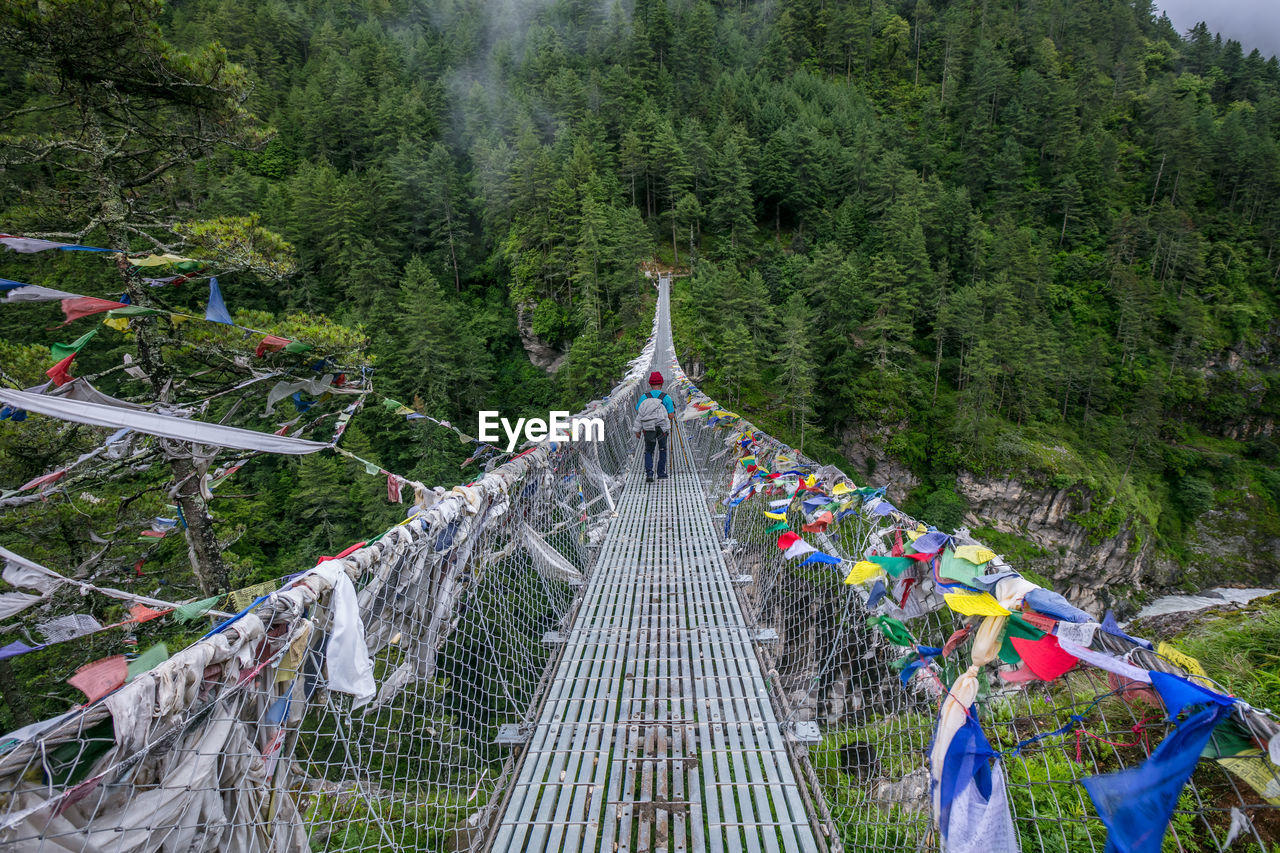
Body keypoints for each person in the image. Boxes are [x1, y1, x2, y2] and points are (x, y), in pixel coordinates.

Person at [634, 371, 675, 483]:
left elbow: (639, 411)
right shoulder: (666, 398)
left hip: (648, 428)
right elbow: (671, 416)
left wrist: (638, 429)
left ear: (650, 384)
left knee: (648, 450)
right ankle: (661, 473)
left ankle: (649, 473)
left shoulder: (644, 397)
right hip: (662, 428)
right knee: (662, 449)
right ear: (662, 384)